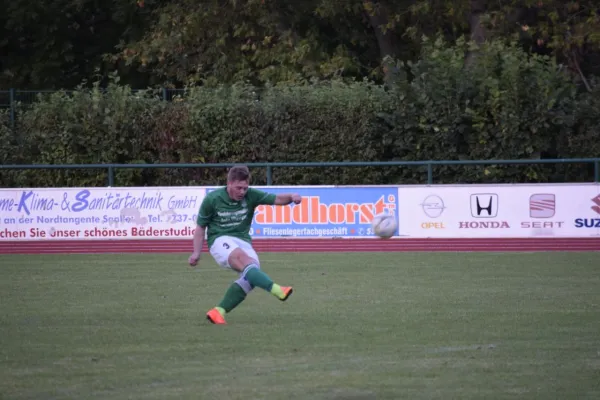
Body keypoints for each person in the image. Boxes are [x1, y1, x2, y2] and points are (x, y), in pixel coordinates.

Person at [188, 164, 302, 325]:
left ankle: (218, 311)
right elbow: (200, 227)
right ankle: (277, 289)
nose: (242, 192)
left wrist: (292, 196)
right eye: (239, 188)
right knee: (244, 260)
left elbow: (276, 199)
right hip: (220, 240)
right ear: (229, 184)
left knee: (251, 275)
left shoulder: (251, 195)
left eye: (245, 188)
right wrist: (196, 252)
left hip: (242, 240)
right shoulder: (212, 199)